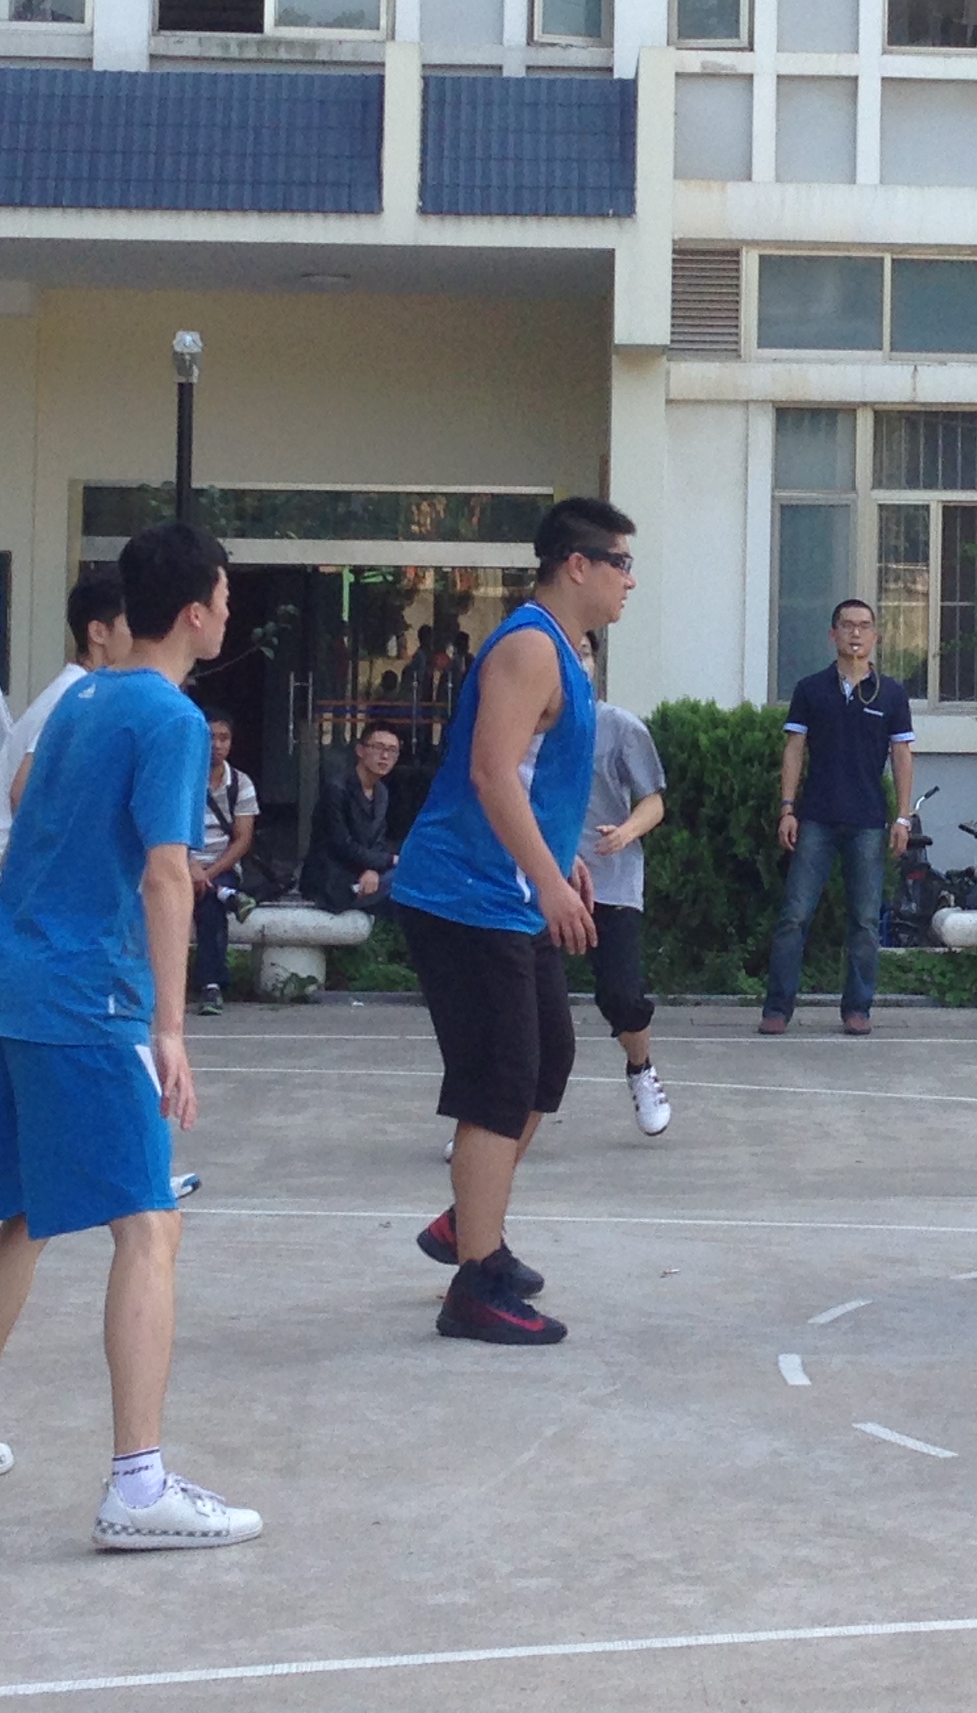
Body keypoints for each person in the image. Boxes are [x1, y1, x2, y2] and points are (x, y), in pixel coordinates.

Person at [0, 518, 261, 1549]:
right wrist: (171, 1027)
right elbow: (166, 874)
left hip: (13, 987)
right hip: (90, 1000)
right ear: (195, 611)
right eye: (226, 598)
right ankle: (137, 1486)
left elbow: (29, 804)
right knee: (150, 1226)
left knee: (23, 1216)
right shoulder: (171, 717)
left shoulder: (78, 699)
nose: (230, 613)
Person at [394, 498, 636, 1346]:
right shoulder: (531, 647)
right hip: (466, 895)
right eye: (621, 564)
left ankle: (471, 1222)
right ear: (578, 565)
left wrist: (560, 858)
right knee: (498, 1081)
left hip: (509, 893)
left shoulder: (565, 652)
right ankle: (475, 1285)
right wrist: (549, 881)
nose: (629, 581)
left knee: (547, 1062)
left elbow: (535, 780)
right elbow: (492, 773)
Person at [0, 572, 132, 1253]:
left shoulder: (72, 693)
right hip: (17, 902)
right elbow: (23, 790)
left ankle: (124, 1179)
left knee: (14, 1052)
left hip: (8, 891)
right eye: (133, 623)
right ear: (99, 632)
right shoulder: (76, 696)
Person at [763, 598, 915, 1036]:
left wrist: (902, 818)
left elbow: (902, 755)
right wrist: (787, 808)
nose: (856, 633)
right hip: (816, 817)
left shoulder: (891, 694)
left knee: (865, 921)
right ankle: (777, 1008)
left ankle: (858, 1008)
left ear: (876, 636)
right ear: (833, 634)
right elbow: (794, 749)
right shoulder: (811, 689)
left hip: (867, 820)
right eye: (847, 625)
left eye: (864, 626)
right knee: (794, 916)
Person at [584, 693, 672, 1136]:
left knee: (620, 995)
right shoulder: (521, 721)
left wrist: (625, 832)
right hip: (541, 875)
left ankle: (640, 1068)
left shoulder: (620, 726)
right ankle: (485, 1124)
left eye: (580, 658)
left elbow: (653, 802)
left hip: (609, 876)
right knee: (512, 999)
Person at [186, 709, 258, 1017]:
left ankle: (210, 986)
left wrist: (207, 875)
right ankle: (210, 984)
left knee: (210, 905)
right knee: (204, 901)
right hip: (180, 862)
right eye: (210, 737)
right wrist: (190, 865)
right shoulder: (182, 778)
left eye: (224, 738)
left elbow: (242, 839)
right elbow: (169, 829)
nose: (216, 744)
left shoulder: (241, 783)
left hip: (221, 866)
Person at [301, 724, 400, 910]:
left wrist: (373, 869)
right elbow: (341, 845)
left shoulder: (382, 792)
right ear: (360, 750)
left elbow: (377, 840)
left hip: (367, 874)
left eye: (392, 751)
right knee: (407, 874)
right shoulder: (337, 789)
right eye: (378, 748)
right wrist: (387, 861)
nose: (385, 756)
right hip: (332, 880)